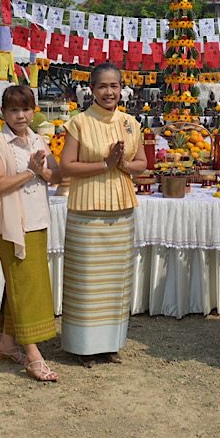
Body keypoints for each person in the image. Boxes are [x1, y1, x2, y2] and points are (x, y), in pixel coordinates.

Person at [58, 63, 147, 367]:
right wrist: (105, 165)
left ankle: (110, 344)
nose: (109, 92)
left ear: (122, 88)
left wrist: (123, 165)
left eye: (114, 86)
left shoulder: (131, 123)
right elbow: (66, 166)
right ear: (92, 89)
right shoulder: (79, 123)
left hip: (121, 210)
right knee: (86, 281)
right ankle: (82, 346)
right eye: (103, 86)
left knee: (115, 282)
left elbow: (141, 164)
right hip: (87, 211)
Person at [0, 86, 63, 381]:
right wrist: (30, 172)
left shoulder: (38, 139)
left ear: (34, 111)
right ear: (3, 112)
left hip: (37, 220)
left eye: (26, 109)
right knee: (25, 285)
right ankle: (32, 354)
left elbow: (57, 174)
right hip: (10, 223)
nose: (21, 116)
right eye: (14, 110)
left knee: (24, 282)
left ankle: (6, 342)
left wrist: (42, 172)